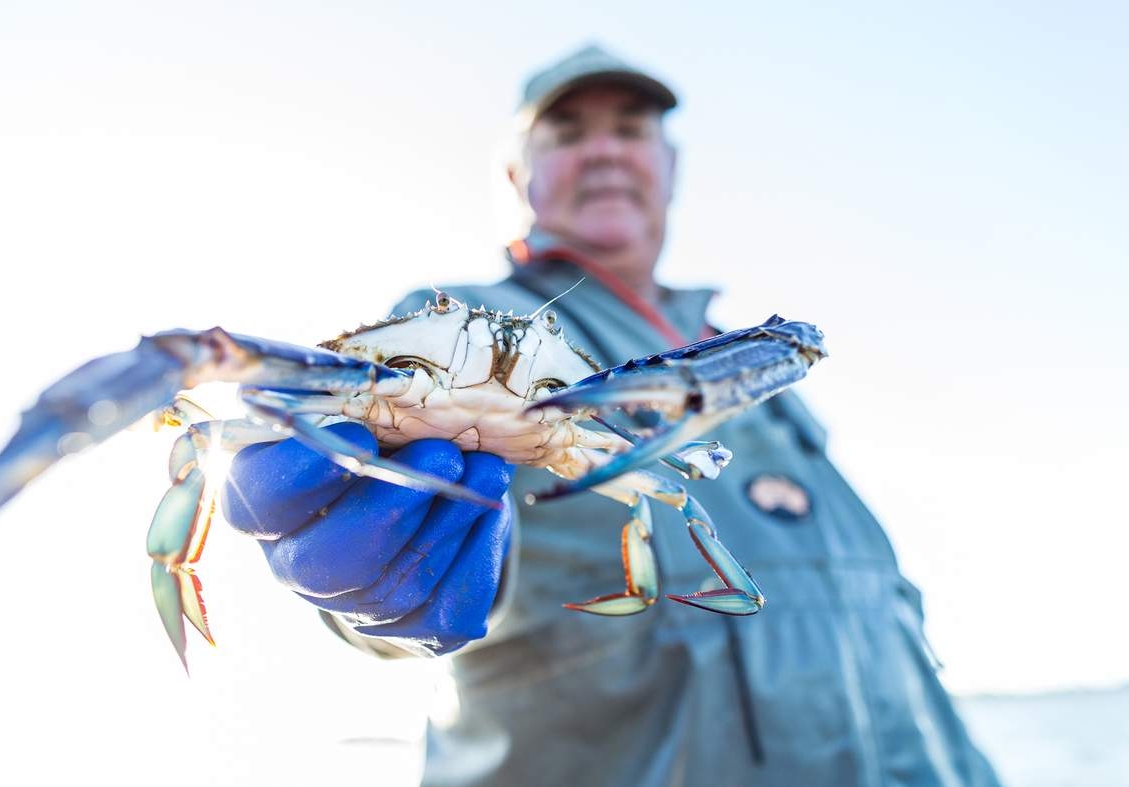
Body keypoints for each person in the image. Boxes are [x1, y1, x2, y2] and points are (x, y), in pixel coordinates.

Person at [221, 45, 1001, 786]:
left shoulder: (750, 365)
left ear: (671, 168)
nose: (604, 152)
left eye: (630, 131)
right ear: (516, 174)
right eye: (567, 134)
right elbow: (401, 512)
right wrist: (369, 590)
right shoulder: (451, 327)